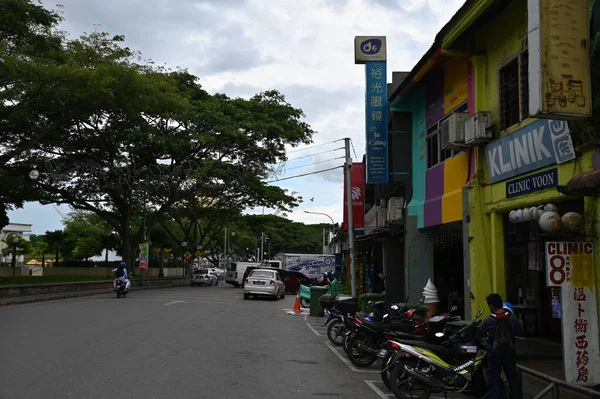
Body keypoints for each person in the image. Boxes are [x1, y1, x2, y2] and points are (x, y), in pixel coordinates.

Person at [481, 293, 524, 399]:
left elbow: (481, 332)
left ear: (491, 306)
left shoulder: (488, 321)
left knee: (494, 383)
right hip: (510, 354)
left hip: (493, 355)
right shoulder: (512, 318)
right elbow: (521, 332)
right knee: (513, 380)